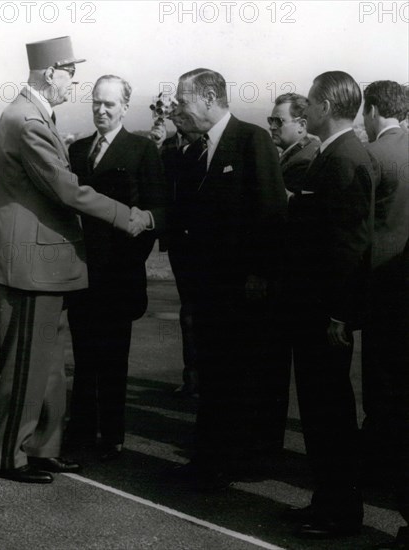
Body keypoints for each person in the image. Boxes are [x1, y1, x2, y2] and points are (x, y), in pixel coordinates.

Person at [0, 37, 148, 484]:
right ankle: (6, 456)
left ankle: (42, 447)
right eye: (71, 73)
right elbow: (66, 189)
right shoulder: (27, 119)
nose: (74, 83)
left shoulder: (24, 115)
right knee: (27, 365)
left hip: (40, 261)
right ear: (52, 73)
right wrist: (126, 216)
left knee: (48, 365)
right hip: (29, 262)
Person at [168, 68, 287, 488]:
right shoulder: (193, 152)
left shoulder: (252, 140)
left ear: (210, 97)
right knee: (213, 374)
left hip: (243, 289)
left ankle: (233, 462)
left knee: (239, 376)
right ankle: (210, 461)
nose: (176, 106)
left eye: (183, 99)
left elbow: (272, 213)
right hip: (207, 288)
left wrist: (260, 273)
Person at [283, 71, 375, 537]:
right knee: (321, 413)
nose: (308, 108)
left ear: (325, 106)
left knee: (330, 414)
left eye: (312, 101)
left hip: (325, 313)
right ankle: (327, 502)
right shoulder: (333, 153)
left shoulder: (343, 157)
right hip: (316, 308)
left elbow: (350, 245)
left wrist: (341, 313)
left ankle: (339, 512)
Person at [65, 75, 167, 460]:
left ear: (125, 106)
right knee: (84, 358)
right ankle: (79, 434)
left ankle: (111, 434)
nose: (101, 110)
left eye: (109, 104)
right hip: (80, 273)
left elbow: (158, 211)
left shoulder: (141, 150)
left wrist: (132, 254)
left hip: (119, 275)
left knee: (112, 358)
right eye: (96, 103)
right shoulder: (76, 151)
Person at [360, 80, 409, 550]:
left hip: (379, 281)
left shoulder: (374, 155)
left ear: (373, 109)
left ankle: (378, 463)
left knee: (380, 379)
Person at [258, 94, 320, 453]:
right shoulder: (291, 155)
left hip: (289, 279)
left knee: (275, 366)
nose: (272, 126)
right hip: (284, 277)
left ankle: (267, 443)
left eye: (278, 121)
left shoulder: (305, 159)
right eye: (271, 119)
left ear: (302, 123)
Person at [151, 122, 200, 398]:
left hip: (203, 239)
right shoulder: (169, 146)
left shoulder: (206, 142)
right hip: (179, 240)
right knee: (188, 313)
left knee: (200, 312)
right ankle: (192, 378)